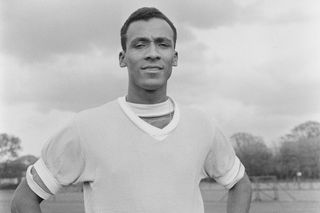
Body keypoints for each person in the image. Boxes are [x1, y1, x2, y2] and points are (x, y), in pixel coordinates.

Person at [11, 7, 252, 213]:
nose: (153, 53)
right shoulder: (85, 127)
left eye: (163, 44)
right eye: (140, 45)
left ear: (174, 57)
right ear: (122, 57)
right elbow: (24, 201)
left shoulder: (202, 125)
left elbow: (240, 183)